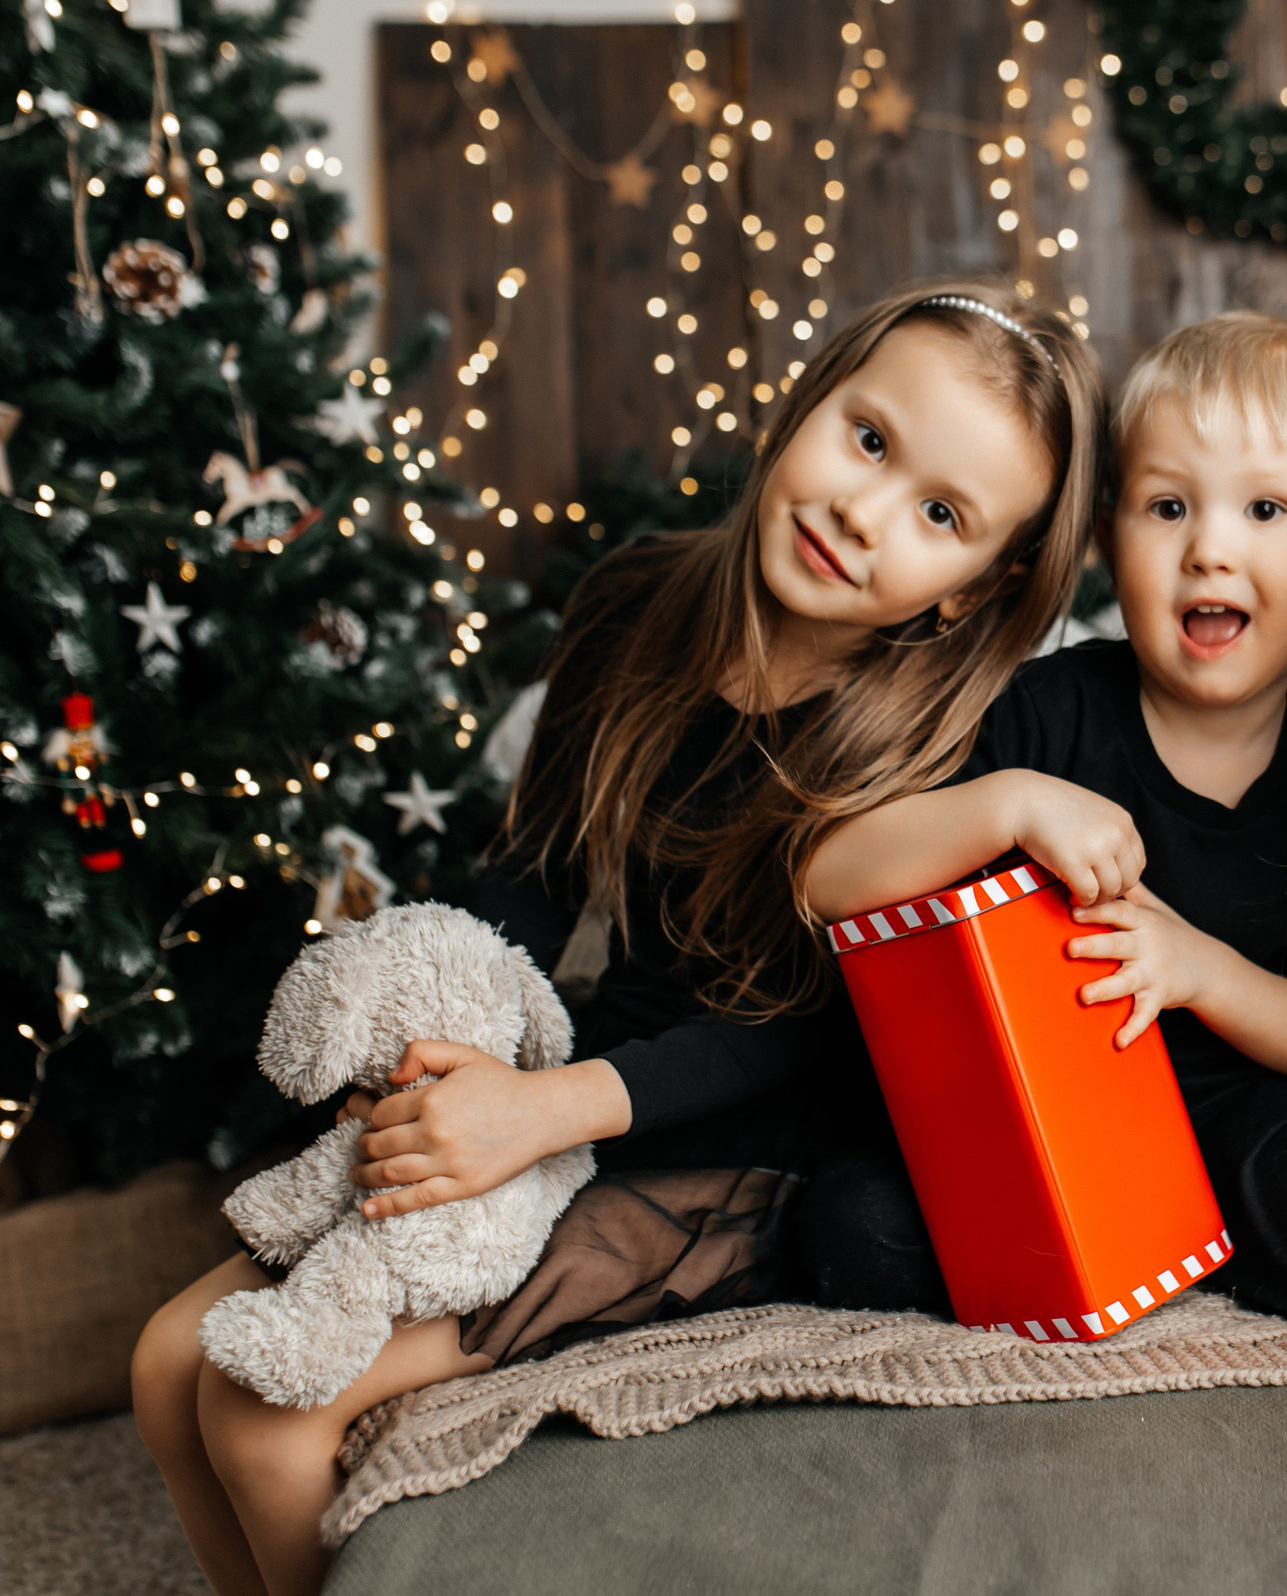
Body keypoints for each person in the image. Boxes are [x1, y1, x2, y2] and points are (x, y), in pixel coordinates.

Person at [130, 283, 1108, 1596]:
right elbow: (535, 874)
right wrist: (452, 1044)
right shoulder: (640, 597)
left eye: (941, 514)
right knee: (161, 1359)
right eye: (867, 439)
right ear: (807, 399)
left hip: (746, 1145)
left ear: (967, 591)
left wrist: (544, 1110)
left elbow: (807, 1034)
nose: (863, 513)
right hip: (587, 1073)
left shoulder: (934, 742)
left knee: (263, 1406)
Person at [799, 313, 1287, 1330]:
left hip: (1237, 1100)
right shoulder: (1038, 714)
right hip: (1037, 1097)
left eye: (1266, 510)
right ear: (1109, 537)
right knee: (852, 1229)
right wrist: (1004, 806)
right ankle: (1128, 1233)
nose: (1209, 550)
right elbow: (825, 878)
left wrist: (1202, 972)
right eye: (1166, 508)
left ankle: (1174, 1231)